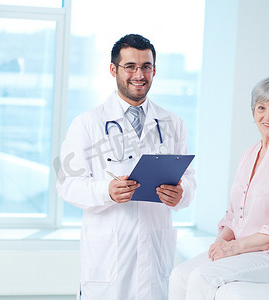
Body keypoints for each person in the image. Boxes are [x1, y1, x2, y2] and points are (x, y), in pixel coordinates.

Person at [56, 34, 196, 300]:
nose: (139, 74)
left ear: (154, 70)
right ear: (114, 69)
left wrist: (182, 193)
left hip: (154, 254)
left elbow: (188, 178)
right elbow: (65, 183)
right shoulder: (87, 123)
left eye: (146, 66)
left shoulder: (173, 123)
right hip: (108, 259)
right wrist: (106, 191)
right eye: (130, 66)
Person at [168, 77, 269, 300]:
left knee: (202, 277)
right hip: (250, 248)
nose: (267, 116)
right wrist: (222, 240)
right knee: (180, 275)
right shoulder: (250, 153)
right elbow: (234, 215)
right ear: (253, 111)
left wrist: (234, 248)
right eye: (261, 108)